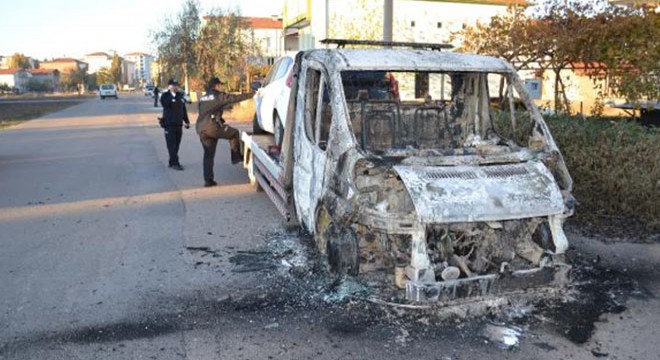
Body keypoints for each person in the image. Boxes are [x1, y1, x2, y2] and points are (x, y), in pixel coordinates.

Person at [196, 77, 253, 187]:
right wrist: (252, 94)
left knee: (208, 155)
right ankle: (236, 157)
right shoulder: (218, 95)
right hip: (212, 128)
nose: (222, 87)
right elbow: (234, 98)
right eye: (220, 85)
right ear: (216, 86)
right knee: (234, 133)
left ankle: (208, 181)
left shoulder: (203, 98)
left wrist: (219, 118)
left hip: (201, 128)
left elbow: (206, 110)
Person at [160, 79, 190, 171]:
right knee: (171, 145)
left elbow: (183, 109)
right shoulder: (165, 96)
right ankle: (175, 163)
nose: (175, 87)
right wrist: (171, 94)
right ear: (169, 86)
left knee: (176, 145)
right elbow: (165, 104)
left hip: (178, 125)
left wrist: (186, 121)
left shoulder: (180, 96)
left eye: (176, 85)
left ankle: (171, 161)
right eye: (173, 85)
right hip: (169, 125)